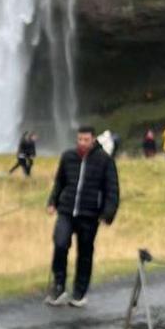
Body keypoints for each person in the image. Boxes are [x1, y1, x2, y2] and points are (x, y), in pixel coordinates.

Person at [46, 126, 120, 308]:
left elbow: (112, 189)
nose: (82, 143)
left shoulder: (104, 160)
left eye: (86, 140)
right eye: (79, 139)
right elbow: (59, 182)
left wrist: (107, 213)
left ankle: (79, 292)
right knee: (60, 243)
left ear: (93, 139)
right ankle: (59, 286)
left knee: (85, 253)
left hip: (89, 214)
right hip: (66, 210)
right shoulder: (68, 157)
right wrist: (52, 201)